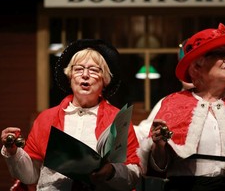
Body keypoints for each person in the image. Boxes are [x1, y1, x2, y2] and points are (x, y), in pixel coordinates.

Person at [138, 23, 225, 191]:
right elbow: (158, 169)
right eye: (221, 54)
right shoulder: (174, 102)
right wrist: (159, 146)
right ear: (197, 65)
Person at [1, 39, 141, 191]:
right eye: (79, 69)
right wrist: (13, 152)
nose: (85, 75)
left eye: (94, 70)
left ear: (104, 80)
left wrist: (111, 172)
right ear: (70, 76)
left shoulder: (118, 120)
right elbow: (31, 176)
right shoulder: (46, 119)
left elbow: (134, 175)